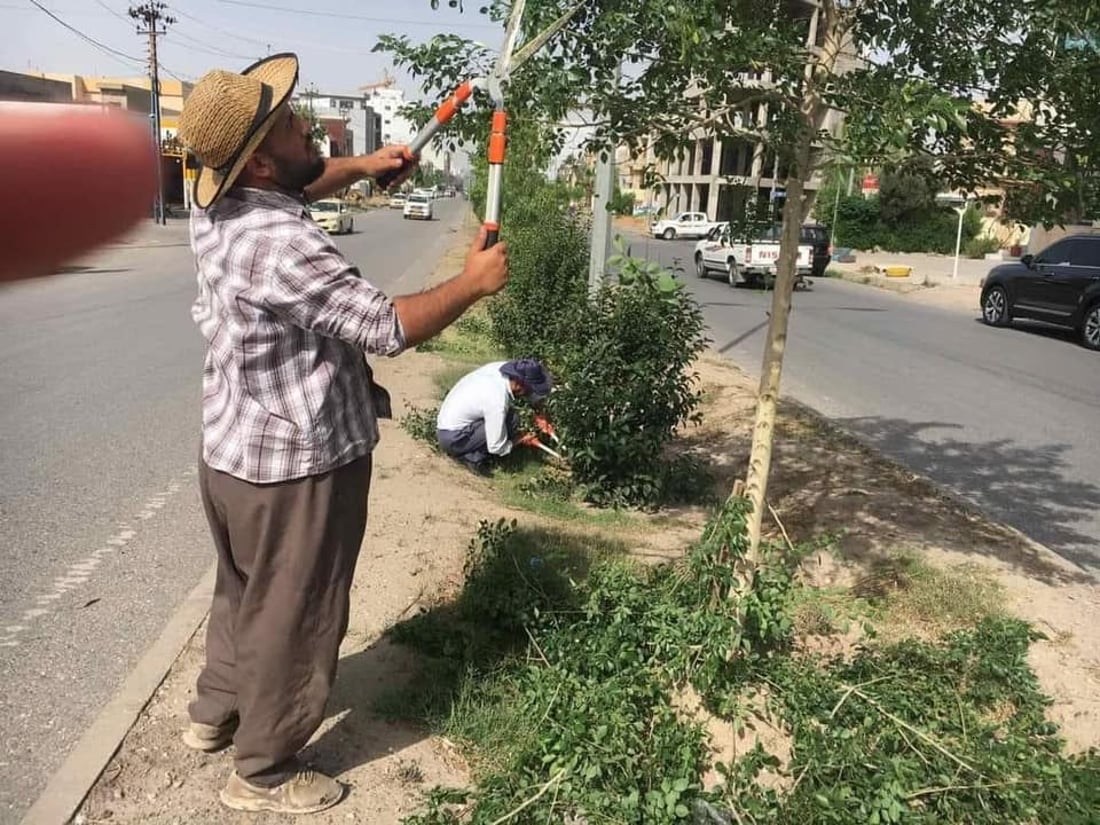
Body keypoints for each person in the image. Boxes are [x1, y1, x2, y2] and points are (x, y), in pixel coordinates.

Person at [174, 53, 509, 814]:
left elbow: (300, 180)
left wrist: (364, 165)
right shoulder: (283, 245)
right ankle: (262, 771)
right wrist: (471, 284)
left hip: (233, 452)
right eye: (291, 124)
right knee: (297, 611)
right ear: (261, 160)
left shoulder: (218, 203)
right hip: (296, 467)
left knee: (244, 591)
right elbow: (387, 327)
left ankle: (215, 712)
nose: (306, 127)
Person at [436, 358, 553, 474]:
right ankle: (472, 457)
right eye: (529, 390)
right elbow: (496, 447)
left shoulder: (502, 369)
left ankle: (474, 449)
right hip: (453, 438)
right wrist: (519, 440)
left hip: (448, 421)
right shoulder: (497, 400)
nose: (530, 393)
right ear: (519, 384)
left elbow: (528, 393)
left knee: (509, 418)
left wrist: (540, 414)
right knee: (511, 421)